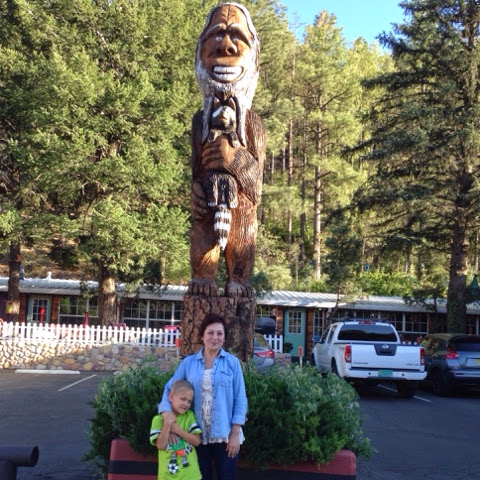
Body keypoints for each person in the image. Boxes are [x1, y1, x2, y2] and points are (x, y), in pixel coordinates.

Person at [158, 313, 248, 480]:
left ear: (224, 337)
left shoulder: (232, 363)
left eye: (219, 333)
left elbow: (240, 398)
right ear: (202, 336)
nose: (215, 337)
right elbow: (169, 389)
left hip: (226, 435)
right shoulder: (188, 363)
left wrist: (235, 433)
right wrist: (167, 416)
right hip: (196, 436)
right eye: (210, 333)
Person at [150, 380, 202, 479]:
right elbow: (160, 445)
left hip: (191, 476)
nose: (186, 404)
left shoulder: (189, 416)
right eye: (183, 399)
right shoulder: (158, 420)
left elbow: (196, 441)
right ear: (170, 397)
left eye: (189, 401)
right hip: (167, 476)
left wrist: (177, 430)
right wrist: (167, 425)